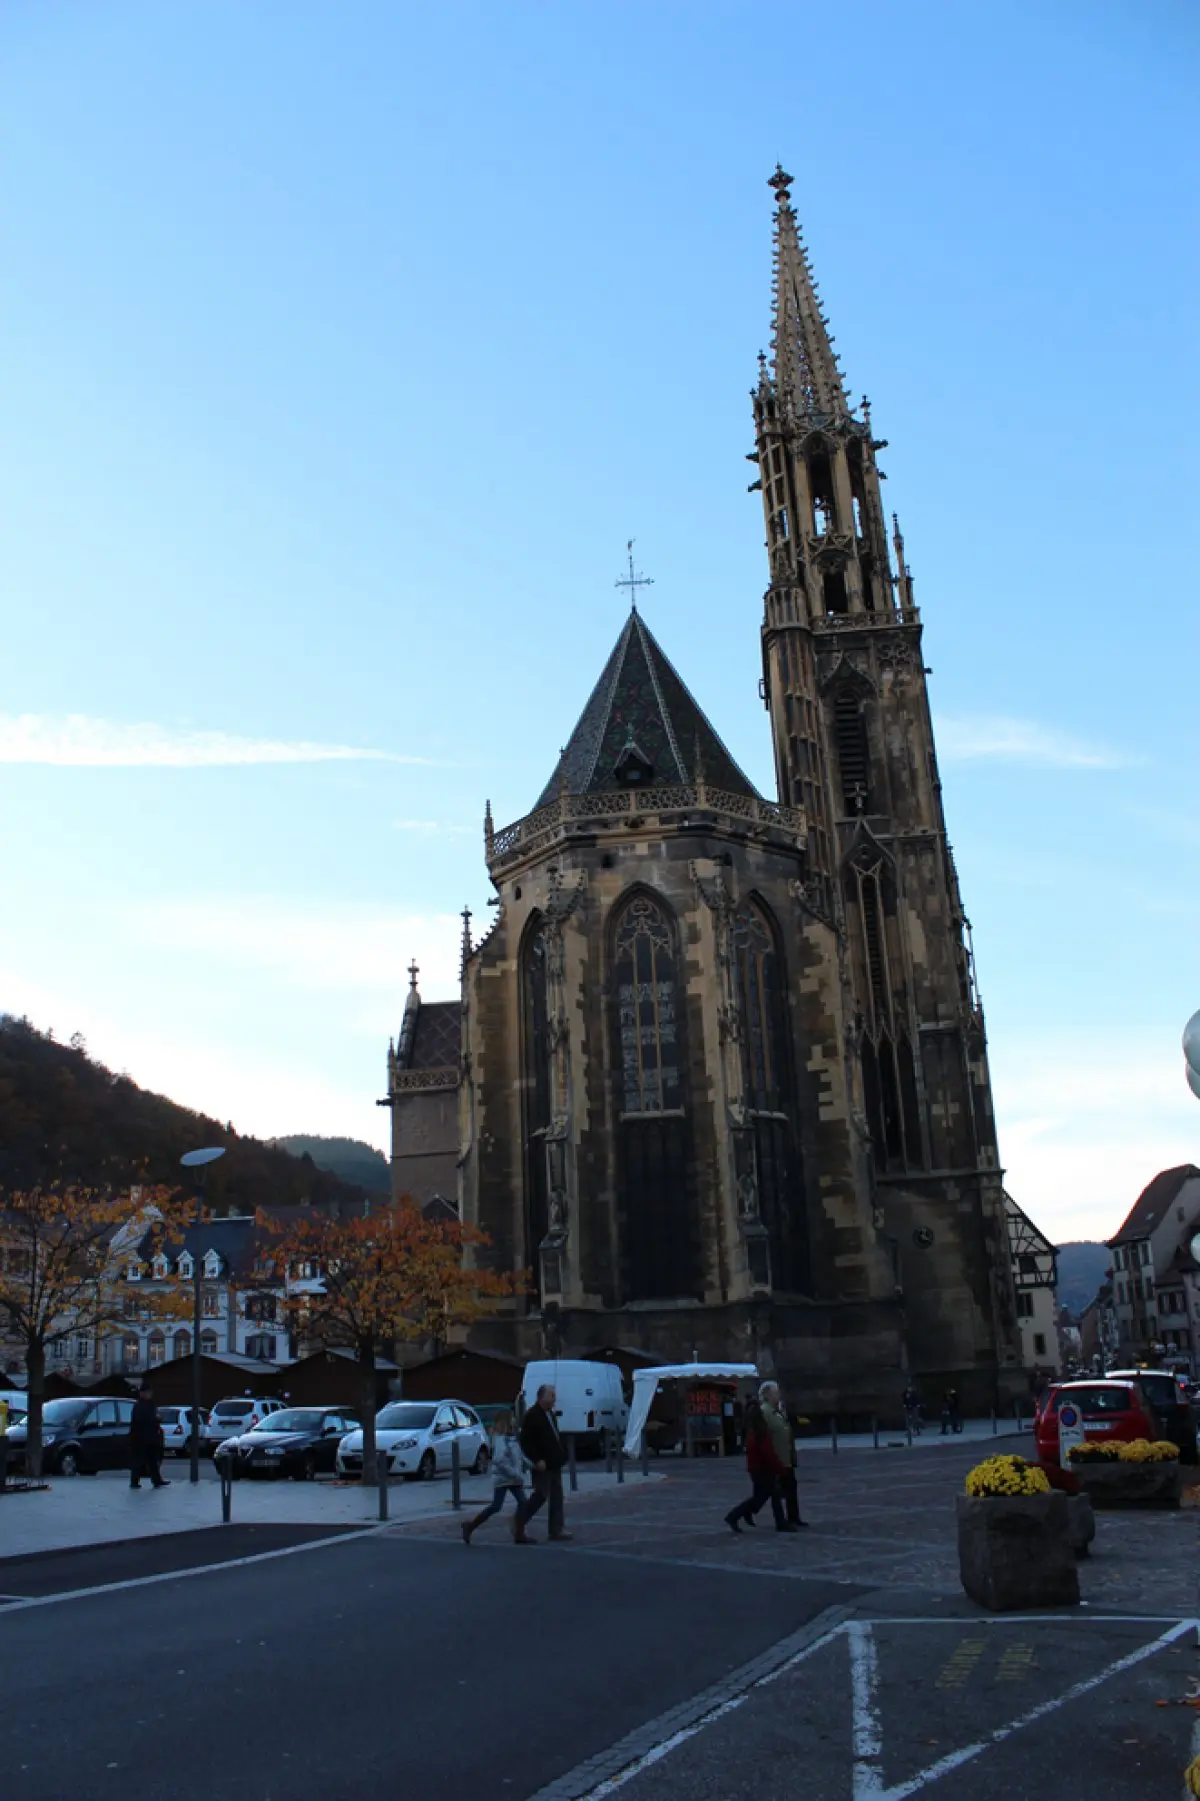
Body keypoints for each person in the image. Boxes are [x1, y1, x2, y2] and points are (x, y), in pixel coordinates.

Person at [461, 1411, 531, 1545]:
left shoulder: (511, 1438)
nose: (515, 1420)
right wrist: (515, 1473)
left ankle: (519, 1533)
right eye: (512, 1418)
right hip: (504, 1479)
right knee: (497, 1506)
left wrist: (531, 1465)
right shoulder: (501, 1439)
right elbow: (499, 1460)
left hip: (512, 1478)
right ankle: (470, 1526)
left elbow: (520, 1455)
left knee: (521, 1503)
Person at [724, 1395, 788, 1533]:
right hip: (762, 1469)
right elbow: (768, 1453)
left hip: (757, 1469)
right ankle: (735, 1516)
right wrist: (779, 1467)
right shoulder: (760, 1432)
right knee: (771, 1494)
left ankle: (742, 1514)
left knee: (762, 1496)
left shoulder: (752, 1430)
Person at [516, 1383, 570, 1543]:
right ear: (542, 1397)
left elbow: (554, 1435)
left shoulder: (550, 1414)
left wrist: (562, 1453)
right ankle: (519, 1521)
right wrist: (536, 1459)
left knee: (557, 1495)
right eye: (552, 1396)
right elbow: (526, 1441)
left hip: (554, 1462)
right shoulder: (532, 1415)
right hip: (542, 1463)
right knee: (541, 1494)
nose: (554, 1399)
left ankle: (556, 1529)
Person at [760, 1380, 807, 1529]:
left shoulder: (778, 1410)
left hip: (786, 1458)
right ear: (768, 1395)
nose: (778, 1395)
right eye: (776, 1392)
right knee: (773, 1492)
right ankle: (780, 1521)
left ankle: (794, 1517)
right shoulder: (765, 1411)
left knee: (791, 1487)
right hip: (776, 1458)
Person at [129, 1383, 169, 1489]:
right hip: (140, 1438)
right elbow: (140, 1421)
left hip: (151, 1437)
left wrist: (157, 1419)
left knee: (152, 1461)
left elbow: (153, 1417)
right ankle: (134, 1482)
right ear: (142, 1393)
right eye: (147, 1392)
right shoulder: (139, 1406)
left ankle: (157, 1480)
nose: (149, 1394)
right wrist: (155, 1419)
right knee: (138, 1461)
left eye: (150, 1392)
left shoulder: (150, 1404)